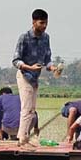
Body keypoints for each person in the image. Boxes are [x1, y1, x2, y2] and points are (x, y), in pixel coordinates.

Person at [12, 8, 59, 147]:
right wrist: (29, 67)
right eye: (41, 23)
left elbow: (47, 60)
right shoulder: (24, 38)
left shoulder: (46, 38)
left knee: (32, 110)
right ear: (33, 22)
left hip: (35, 78)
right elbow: (16, 61)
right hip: (24, 75)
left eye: (46, 23)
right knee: (26, 108)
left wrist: (53, 67)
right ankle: (22, 139)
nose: (44, 26)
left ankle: (23, 136)